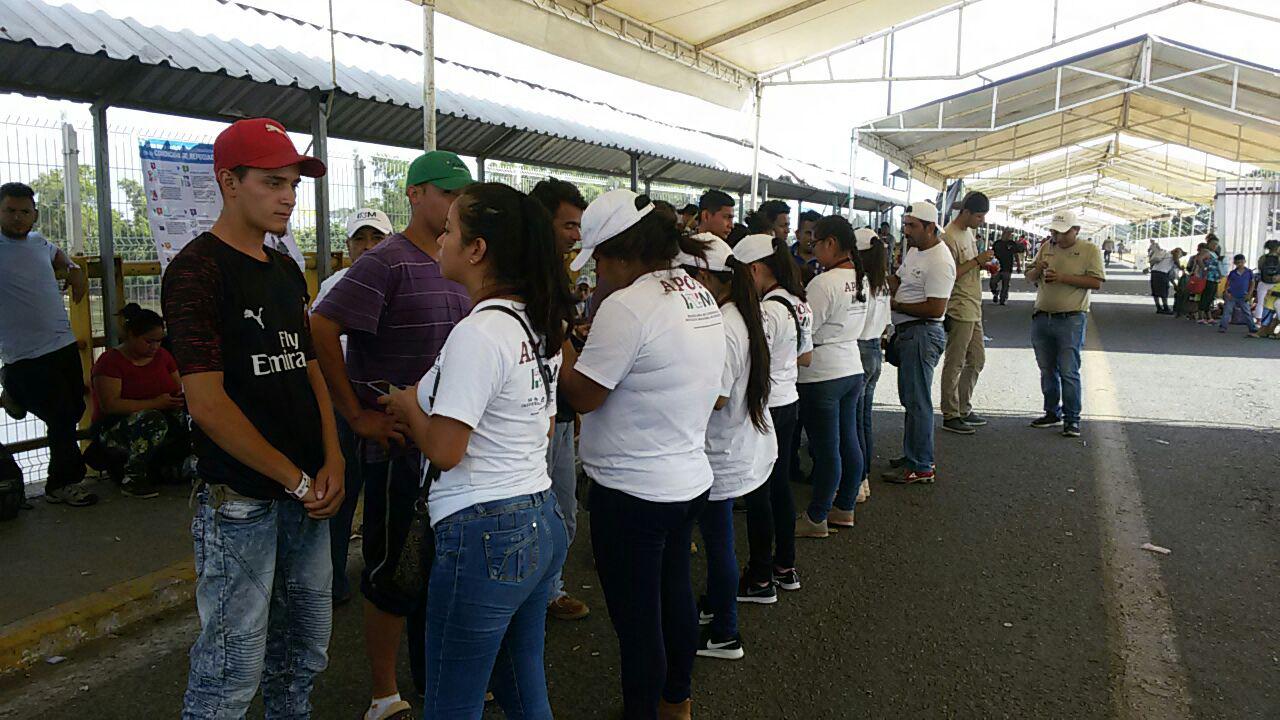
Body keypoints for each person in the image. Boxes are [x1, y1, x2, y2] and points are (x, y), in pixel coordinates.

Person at [163, 117, 344, 717]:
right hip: (241, 500)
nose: (288, 197)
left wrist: (334, 457)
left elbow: (308, 367)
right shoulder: (197, 271)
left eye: (293, 183)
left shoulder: (285, 266)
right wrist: (295, 479)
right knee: (231, 668)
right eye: (272, 182)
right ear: (229, 182)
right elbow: (207, 403)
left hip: (307, 493)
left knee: (303, 651)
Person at [379, 182, 573, 719]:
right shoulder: (537, 323)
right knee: (523, 686)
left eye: (449, 231)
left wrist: (407, 405)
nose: (440, 241)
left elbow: (446, 450)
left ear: (478, 249)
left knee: (452, 701)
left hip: (485, 533)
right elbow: (544, 424)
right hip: (540, 517)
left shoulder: (478, 333)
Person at [311, 150, 473, 720]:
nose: (454, 204)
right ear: (415, 194)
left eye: (461, 195)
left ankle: (432, 680)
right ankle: (383, 694)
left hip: (445, 446)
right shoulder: (386, 261)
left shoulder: (459, 261)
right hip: (396, 448)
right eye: (446, 192)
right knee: (389, 571)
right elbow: (321, 326)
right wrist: (356, 415)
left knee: (436, 568)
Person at [558, 189, 725, 720]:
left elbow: (583, 395)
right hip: (686, 478)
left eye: (600, 260)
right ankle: (677, 702)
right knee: (674, 597)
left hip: (632, 491)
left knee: (637, 623)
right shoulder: (695, 292)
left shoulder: (627, 306)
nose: (598, 272)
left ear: (624, 252)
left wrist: (560, 343)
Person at [675, 235, 774, 661]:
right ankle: (717, 606)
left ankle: (726, 632)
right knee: (720, 541)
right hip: (741, 440)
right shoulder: (741, 313)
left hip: (722, 449)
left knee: (719, 544)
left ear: (702, 277)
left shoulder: (726, 326)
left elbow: (716, 398)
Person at [311, 207, 391, 605]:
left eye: (377, 238)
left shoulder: (396, 280)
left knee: (382, 492)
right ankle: (332, 579)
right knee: (340, 490)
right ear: (347, 246)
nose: (368, 246)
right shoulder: (333, 286)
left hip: (385, 404)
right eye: (360, 239)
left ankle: (381, 573)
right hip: (342, 402)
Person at [0, 181, 95, 507]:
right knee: (62, 415)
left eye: (24, 212)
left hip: (62, 343)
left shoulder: (39, 241)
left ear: (35, 215)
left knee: (76, 408)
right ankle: (63, 483)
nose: (17, 218)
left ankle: (14, 390)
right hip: (25, 353)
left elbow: (58, 256)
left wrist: (73, 269)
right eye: (10, 211)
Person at [733, 232, 812, 604]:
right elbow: (805, 356)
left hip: (766, 406)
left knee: (759, 491)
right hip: (789, 399)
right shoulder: (799, 302)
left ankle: (760, 576)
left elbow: (751, 363)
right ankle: (785, 565)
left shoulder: (767, 311)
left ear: (754, 269)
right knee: (779, 487)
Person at [529, 176, 592, 622]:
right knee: (540, 510)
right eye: (568, 225)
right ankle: (532, 598)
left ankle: (549, 589)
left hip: (561, 413)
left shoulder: (555, 272)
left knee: (562, 510)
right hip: (535, 416)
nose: (576, 235)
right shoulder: (521, 275)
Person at [795, 216, 868, 536]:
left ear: (831, 243)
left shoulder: (823, 283)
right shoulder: (863, 278)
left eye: (815, 243)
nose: (813, 249)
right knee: (848, 441)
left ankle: (816, 516)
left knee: (826, 449)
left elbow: (804, 330)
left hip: (822, 371)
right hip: (851, 365)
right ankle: (845, 507)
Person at [882, 201, 954, 485]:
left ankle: (921, 465)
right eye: (905, 224)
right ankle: (913, 455)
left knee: (918, 401)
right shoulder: (914, 252)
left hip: (923, 333)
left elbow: (936, 308)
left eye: (912, 226)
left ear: (930, 227)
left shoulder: (940, 261)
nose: (906, 231)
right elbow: (897, 280)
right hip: (909, 333)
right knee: (910, 399)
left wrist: (896, 305)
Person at [89, 304, 190, 499]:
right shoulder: (110, 362)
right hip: (117, 426)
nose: (155, 347)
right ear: (131, 335)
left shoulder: (163, 356)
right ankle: (133, 478)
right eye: (149, 341)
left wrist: (179, 399)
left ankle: (181, 465)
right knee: (151, 420)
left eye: (159, 341)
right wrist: (156, 403)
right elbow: (110, 405)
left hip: (162, 414)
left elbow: (178, 386)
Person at [1024, 210, 1106, 438]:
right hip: (1042, 316)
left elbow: (1096, 282)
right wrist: (1038, 269)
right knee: (1046, 369)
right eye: (1054, 232)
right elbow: (1029, 276)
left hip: (1071, 318)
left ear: (1076, 230)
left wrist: (1062, 278)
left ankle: (1072, 419)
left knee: (1069, 371)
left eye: (1061, 233)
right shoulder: (1046, 247)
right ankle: (1052, 412)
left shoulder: (1089, 250)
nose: (1056, 237)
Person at [939, 192, 991, 436]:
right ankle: (950, 413)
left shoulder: (968, 232)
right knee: (955, 361)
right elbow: (951, 274)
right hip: (959, 305)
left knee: (977, 358)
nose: (981, 221)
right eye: (979, 216)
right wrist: (978, 261)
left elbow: (969, 266)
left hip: (974, 304)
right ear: (966, 212)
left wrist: (982, 264)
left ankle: (963, 406)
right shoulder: (948, 237)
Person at [855, 228, 890, 501]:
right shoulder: (882, 284)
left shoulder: (861, 284)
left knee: (853, 420)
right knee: (865, 418)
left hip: (859, 349)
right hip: (875, 350)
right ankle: (864, 474)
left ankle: (857, 480)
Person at [1218, 254, 1259, 337]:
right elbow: (1227, 283)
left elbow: (1252, 283)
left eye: (1241, 262)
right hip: (1231, 295)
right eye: (1238, 263)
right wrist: (1226, 292)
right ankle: (1223, 327)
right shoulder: (1232, 273)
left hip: (1243, 296)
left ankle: (1252, 327)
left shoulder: (1249, 272)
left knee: (1247, 312)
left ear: (1244, 262)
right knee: (1227, 311)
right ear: (1235, 263)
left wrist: (1249, 294)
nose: (1240, 264)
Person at [791, 209, 823, 283]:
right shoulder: (785, 256)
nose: (812, 238)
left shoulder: (826, 262)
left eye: (816, 234)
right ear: (797, 234)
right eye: (808, 233)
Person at [990, 228, 1019, 305]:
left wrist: (1018, 265)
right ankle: (995, 292)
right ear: (1004, 234)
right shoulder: (997, 243)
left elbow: (1016, 254)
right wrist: (990, 263)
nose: (1010, 235)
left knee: (1005, 284)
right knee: (993, 283)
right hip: (997, 267)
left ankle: (1003, 299)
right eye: (1008, 234)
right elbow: (992, 254)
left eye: (1010, 234)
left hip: (1007, 267)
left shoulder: (1012, 243)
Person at [1255, 240, 1280, 324]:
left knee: (1260, 302)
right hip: (1276, 284)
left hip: (1263, 282)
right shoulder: (1279, 258)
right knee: (1275, 303)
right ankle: (1274, 320)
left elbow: (1260, 268)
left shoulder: (1263, 258)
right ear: (1277, 248)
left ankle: (1259, 320)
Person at [1148, 241, 1176, 315]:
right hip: (1162, 274)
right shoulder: (1172, 258)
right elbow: (1171, 276)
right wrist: (1175, 285)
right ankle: (1166, 308)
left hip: (1154, 272)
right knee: (1164, 291)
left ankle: (1158, 308)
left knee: (1155, 291)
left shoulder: (1164, 254)